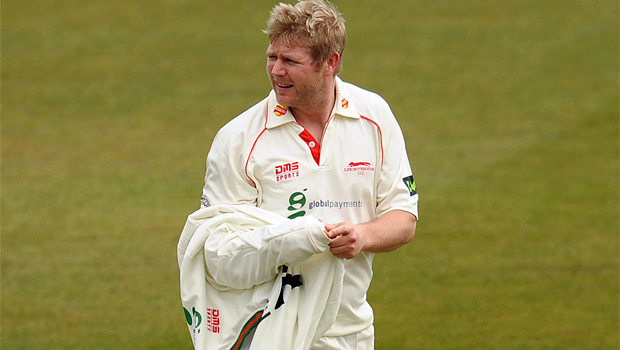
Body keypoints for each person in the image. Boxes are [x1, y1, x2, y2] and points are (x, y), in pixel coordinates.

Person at [199, 0, 419, 349]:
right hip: (273, 333)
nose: (276, 71)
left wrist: (361, 236)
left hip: (353, 332)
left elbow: (404, 217)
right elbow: (218, 256)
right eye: (272, 57)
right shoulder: (238, 139)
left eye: (290, 61)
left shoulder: (374, 117)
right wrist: (293, 239)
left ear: (329, 62)